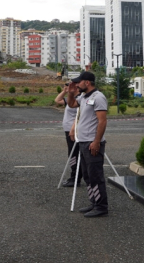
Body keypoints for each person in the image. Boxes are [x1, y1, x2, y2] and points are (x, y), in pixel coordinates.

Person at [67, 71, 108, 218]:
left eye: (79, 82)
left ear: (87, 82)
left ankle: (102, 206)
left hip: (92, 143)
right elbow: (71, 104)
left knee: (96, 176)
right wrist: (71, 93)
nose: (77, 84)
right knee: (87, 176)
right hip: (83, 142)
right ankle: (94, 202)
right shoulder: (84, 97)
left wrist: (97, 141)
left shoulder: (98, 97)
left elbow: (102, 121)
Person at [54, 81, 82, 187]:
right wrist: (65, 91)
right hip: (68, 130)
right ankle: (74, 177)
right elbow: (57, 100)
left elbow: (80, 116)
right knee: (72, 154)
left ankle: (75, 179)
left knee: (74, 155)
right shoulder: (70, 99)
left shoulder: (79, 99)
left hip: (73, 131)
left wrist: (72, 129)